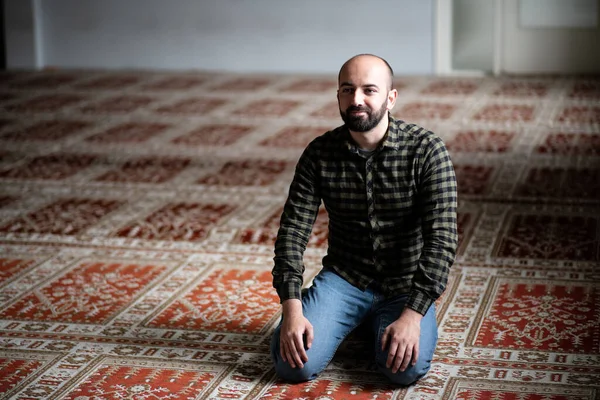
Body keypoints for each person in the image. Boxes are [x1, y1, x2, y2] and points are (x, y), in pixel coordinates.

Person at [270, 54, 458, 386]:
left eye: (369, 90)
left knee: (403, 370)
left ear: (391, 97)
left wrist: (413, 316)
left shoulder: (428, 151)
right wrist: (292, 310)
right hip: (345, 279)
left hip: (405, 286)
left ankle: (374, 324)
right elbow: (292, 233)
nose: (356, 100)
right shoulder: (319, 153)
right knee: (292, 366)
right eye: (347, 90)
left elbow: (441, 242)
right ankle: (357, 321)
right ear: (338, 96)